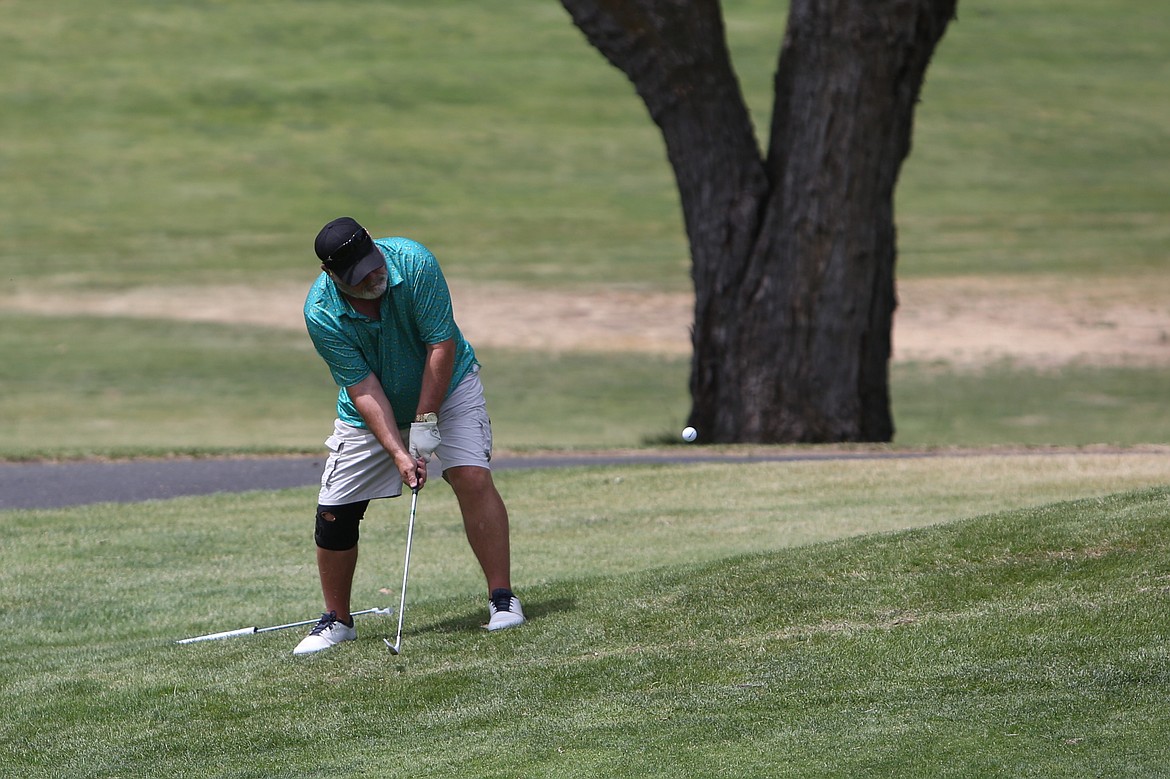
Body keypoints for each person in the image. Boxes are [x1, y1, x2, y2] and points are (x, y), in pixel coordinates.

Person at [293, 216, 524, 655]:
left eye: (374, 265)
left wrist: (423, 425)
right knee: (334, 514)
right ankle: (338, 620)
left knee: (471, 476)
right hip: (372, 411)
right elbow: (362, 387)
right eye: (359, 277)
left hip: (448, 386)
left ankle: (502, 598)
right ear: (334, 276)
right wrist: (400, 453)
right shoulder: (321, 311)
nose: (374, 277)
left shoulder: (414, 262)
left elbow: (441, 345)